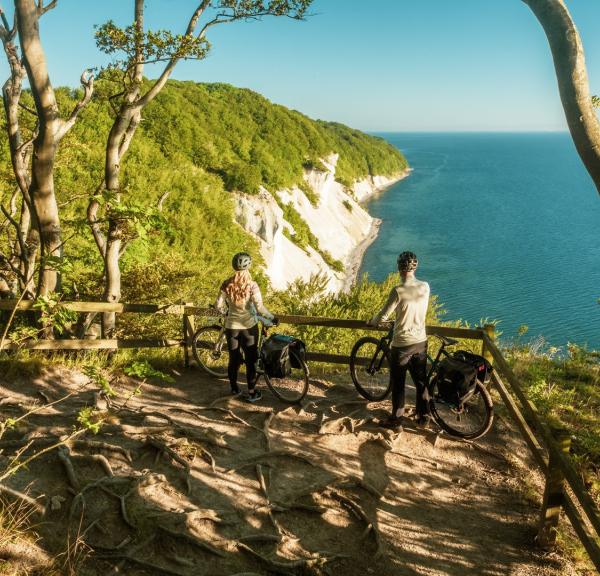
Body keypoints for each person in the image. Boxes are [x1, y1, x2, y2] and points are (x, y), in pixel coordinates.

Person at [367, 251, 430, 432]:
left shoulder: (398, 291)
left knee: (399, 382)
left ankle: (396, 419)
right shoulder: (425, 287)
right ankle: (424, 417)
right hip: (420, 341)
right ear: (415, 267)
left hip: (402, 344)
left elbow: (382, 316)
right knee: (421, 381)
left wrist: (372, 321)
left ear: (399, 268)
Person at [215, 252, 277, 402]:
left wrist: (226, 313)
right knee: (251, 360)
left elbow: (218, 305)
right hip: (249, 328)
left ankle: (234, 389)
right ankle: (251, 392)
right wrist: (272, 317)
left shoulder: (226, 284)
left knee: (233, 359)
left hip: (231, 327)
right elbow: (260, 308)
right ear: (249, 266)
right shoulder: (252, 285)